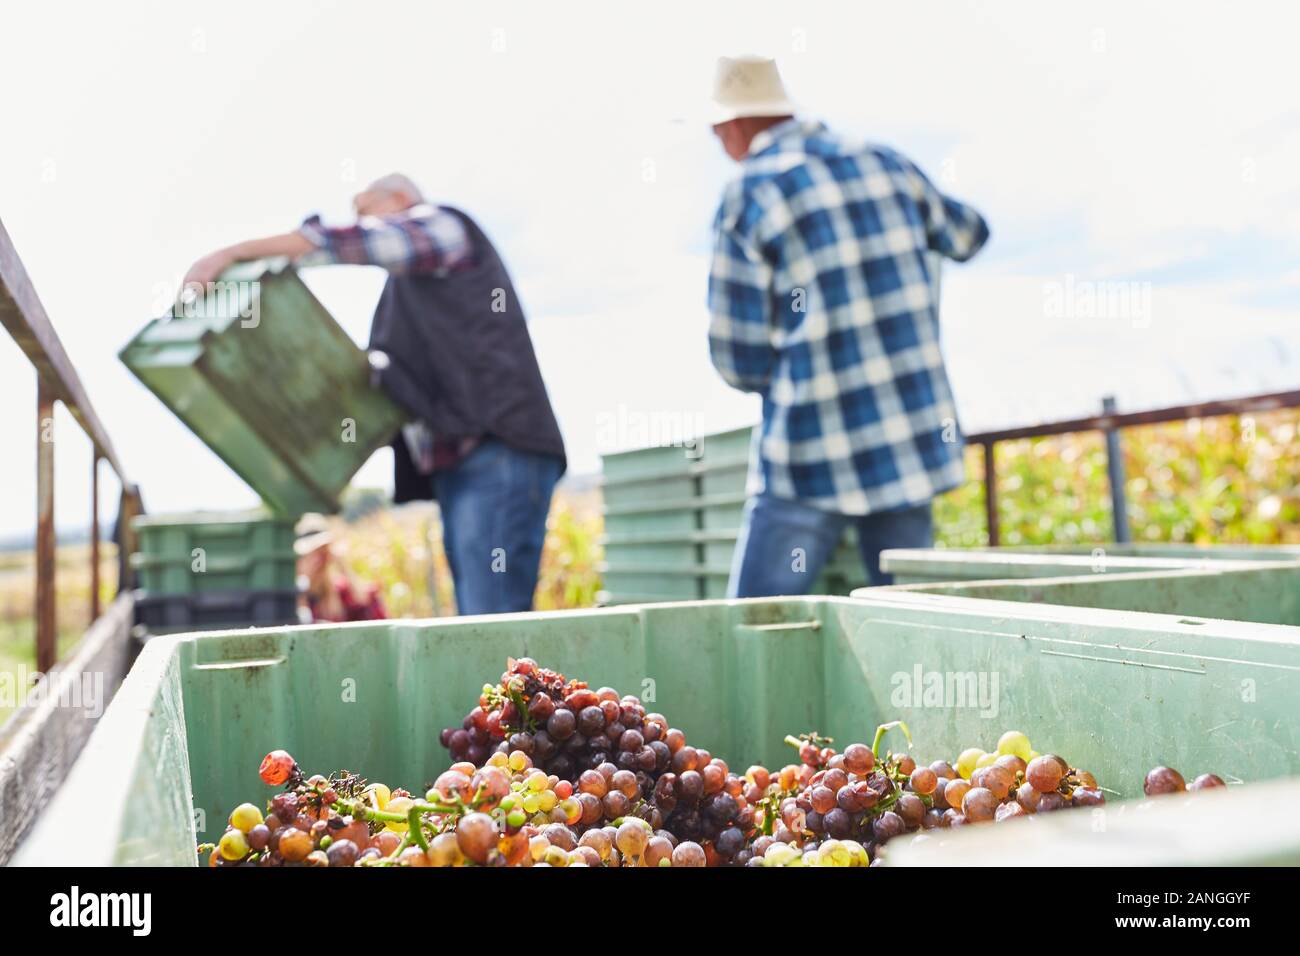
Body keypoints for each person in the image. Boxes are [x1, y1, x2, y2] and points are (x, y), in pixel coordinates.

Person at [182, 174, 566, 615]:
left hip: (500, 453)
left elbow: (356, 241)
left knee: (492, 618)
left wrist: (230, 253)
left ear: (399, 199)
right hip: (465, 466)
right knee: (479, 620)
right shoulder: (408, 295)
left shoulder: (444, 227)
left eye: (364, 209)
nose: (359, 220)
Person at [706, 56, 990, 595]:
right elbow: (970, 234)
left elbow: (738, 360)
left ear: (734, 126)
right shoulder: (885, 162)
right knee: (908, 629)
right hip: (909, 444)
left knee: (755, 630)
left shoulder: (747, 193)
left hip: (810, 453)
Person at [294, 515, 386, 623]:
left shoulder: (342, 590)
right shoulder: (296, 594)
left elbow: (371, 610)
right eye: (311, 555)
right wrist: (304, 581)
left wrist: (345, 568)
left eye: (323, 552)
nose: (318, 560)